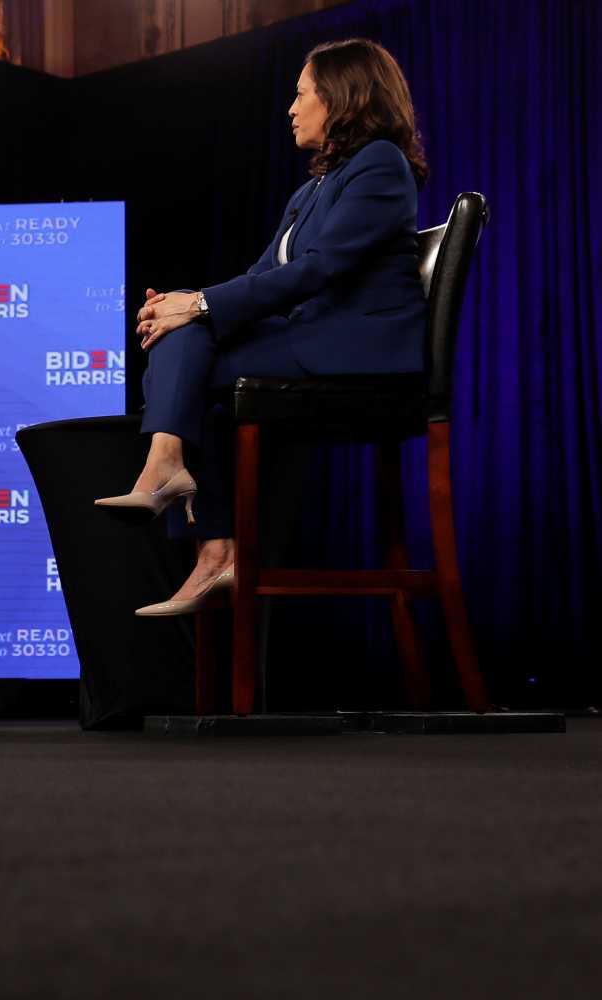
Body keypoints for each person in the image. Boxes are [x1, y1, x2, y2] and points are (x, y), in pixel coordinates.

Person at [94, 38, 430, 615]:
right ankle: (214, 547)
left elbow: (319, 270)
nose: (291, 109)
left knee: (190, 336)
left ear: (343, 98)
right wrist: (186, 303)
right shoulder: (310, 190)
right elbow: (258, 277)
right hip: (311, 341)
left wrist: (195, 305)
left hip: (357, 354)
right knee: (187, 335)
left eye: (302, 95)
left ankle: (176, 486)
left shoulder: (381, 164)